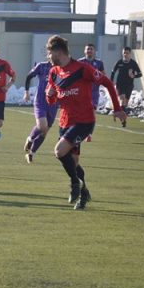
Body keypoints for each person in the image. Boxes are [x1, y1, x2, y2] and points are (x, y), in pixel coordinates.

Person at [45, 35, 126, 210]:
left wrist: (117, 107)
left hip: (84, 121)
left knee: (59, 151)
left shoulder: (83, 69)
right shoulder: (54, 73)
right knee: (73, 162)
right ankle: (84, 194)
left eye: (49, 53)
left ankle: (75, 184)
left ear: (58, 52)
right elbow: (51, 101)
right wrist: (50, 94)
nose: (48, 57)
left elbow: (107, 83)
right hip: (65, 122)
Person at [22, 58, 58, 164]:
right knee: (42, 126)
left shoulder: (62, 68)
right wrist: (26, 92)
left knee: (45, 131)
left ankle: (31, 154)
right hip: (40, 102)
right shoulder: (41, 66)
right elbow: (29, 76)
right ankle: (30, 139)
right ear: (49, 54)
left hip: (54, 104)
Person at [110, 46, 143, 110]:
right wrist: (111, 81)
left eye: (127, 53)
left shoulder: (133, 63)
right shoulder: (119, 62)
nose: (125, 54)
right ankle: (121, 115)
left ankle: (121, 112)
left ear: (130, 54)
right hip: (120, 84)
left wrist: (133, 76)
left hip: (129, 85)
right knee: (122, 99)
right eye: (124, 53)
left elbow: (140, 74)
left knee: (125, 103)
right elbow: (113, 72)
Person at [77, 43, 105, 109]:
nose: (89, 50)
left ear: (94, 51)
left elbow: (103, 75)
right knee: (82, 111)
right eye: (88, 49)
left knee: (92, 110)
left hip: (94, 92)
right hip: (82, 91)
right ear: (84, 51)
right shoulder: (79, 62)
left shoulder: (99, 62)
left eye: (91, 49)